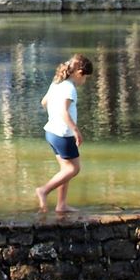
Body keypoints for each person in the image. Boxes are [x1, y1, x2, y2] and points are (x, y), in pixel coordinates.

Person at [34, 53, 93, 214]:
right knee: (74, 169)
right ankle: (44, 190)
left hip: (51, 132)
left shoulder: (57, 83)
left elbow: (44, 102)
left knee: (65, 170)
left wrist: (52, 115)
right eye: (85, 78)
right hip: (63, 134)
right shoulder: (70, 88)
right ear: (79, 73)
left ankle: (61, 205)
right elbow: (64, 111)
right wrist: (76, 131)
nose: (84, 82)